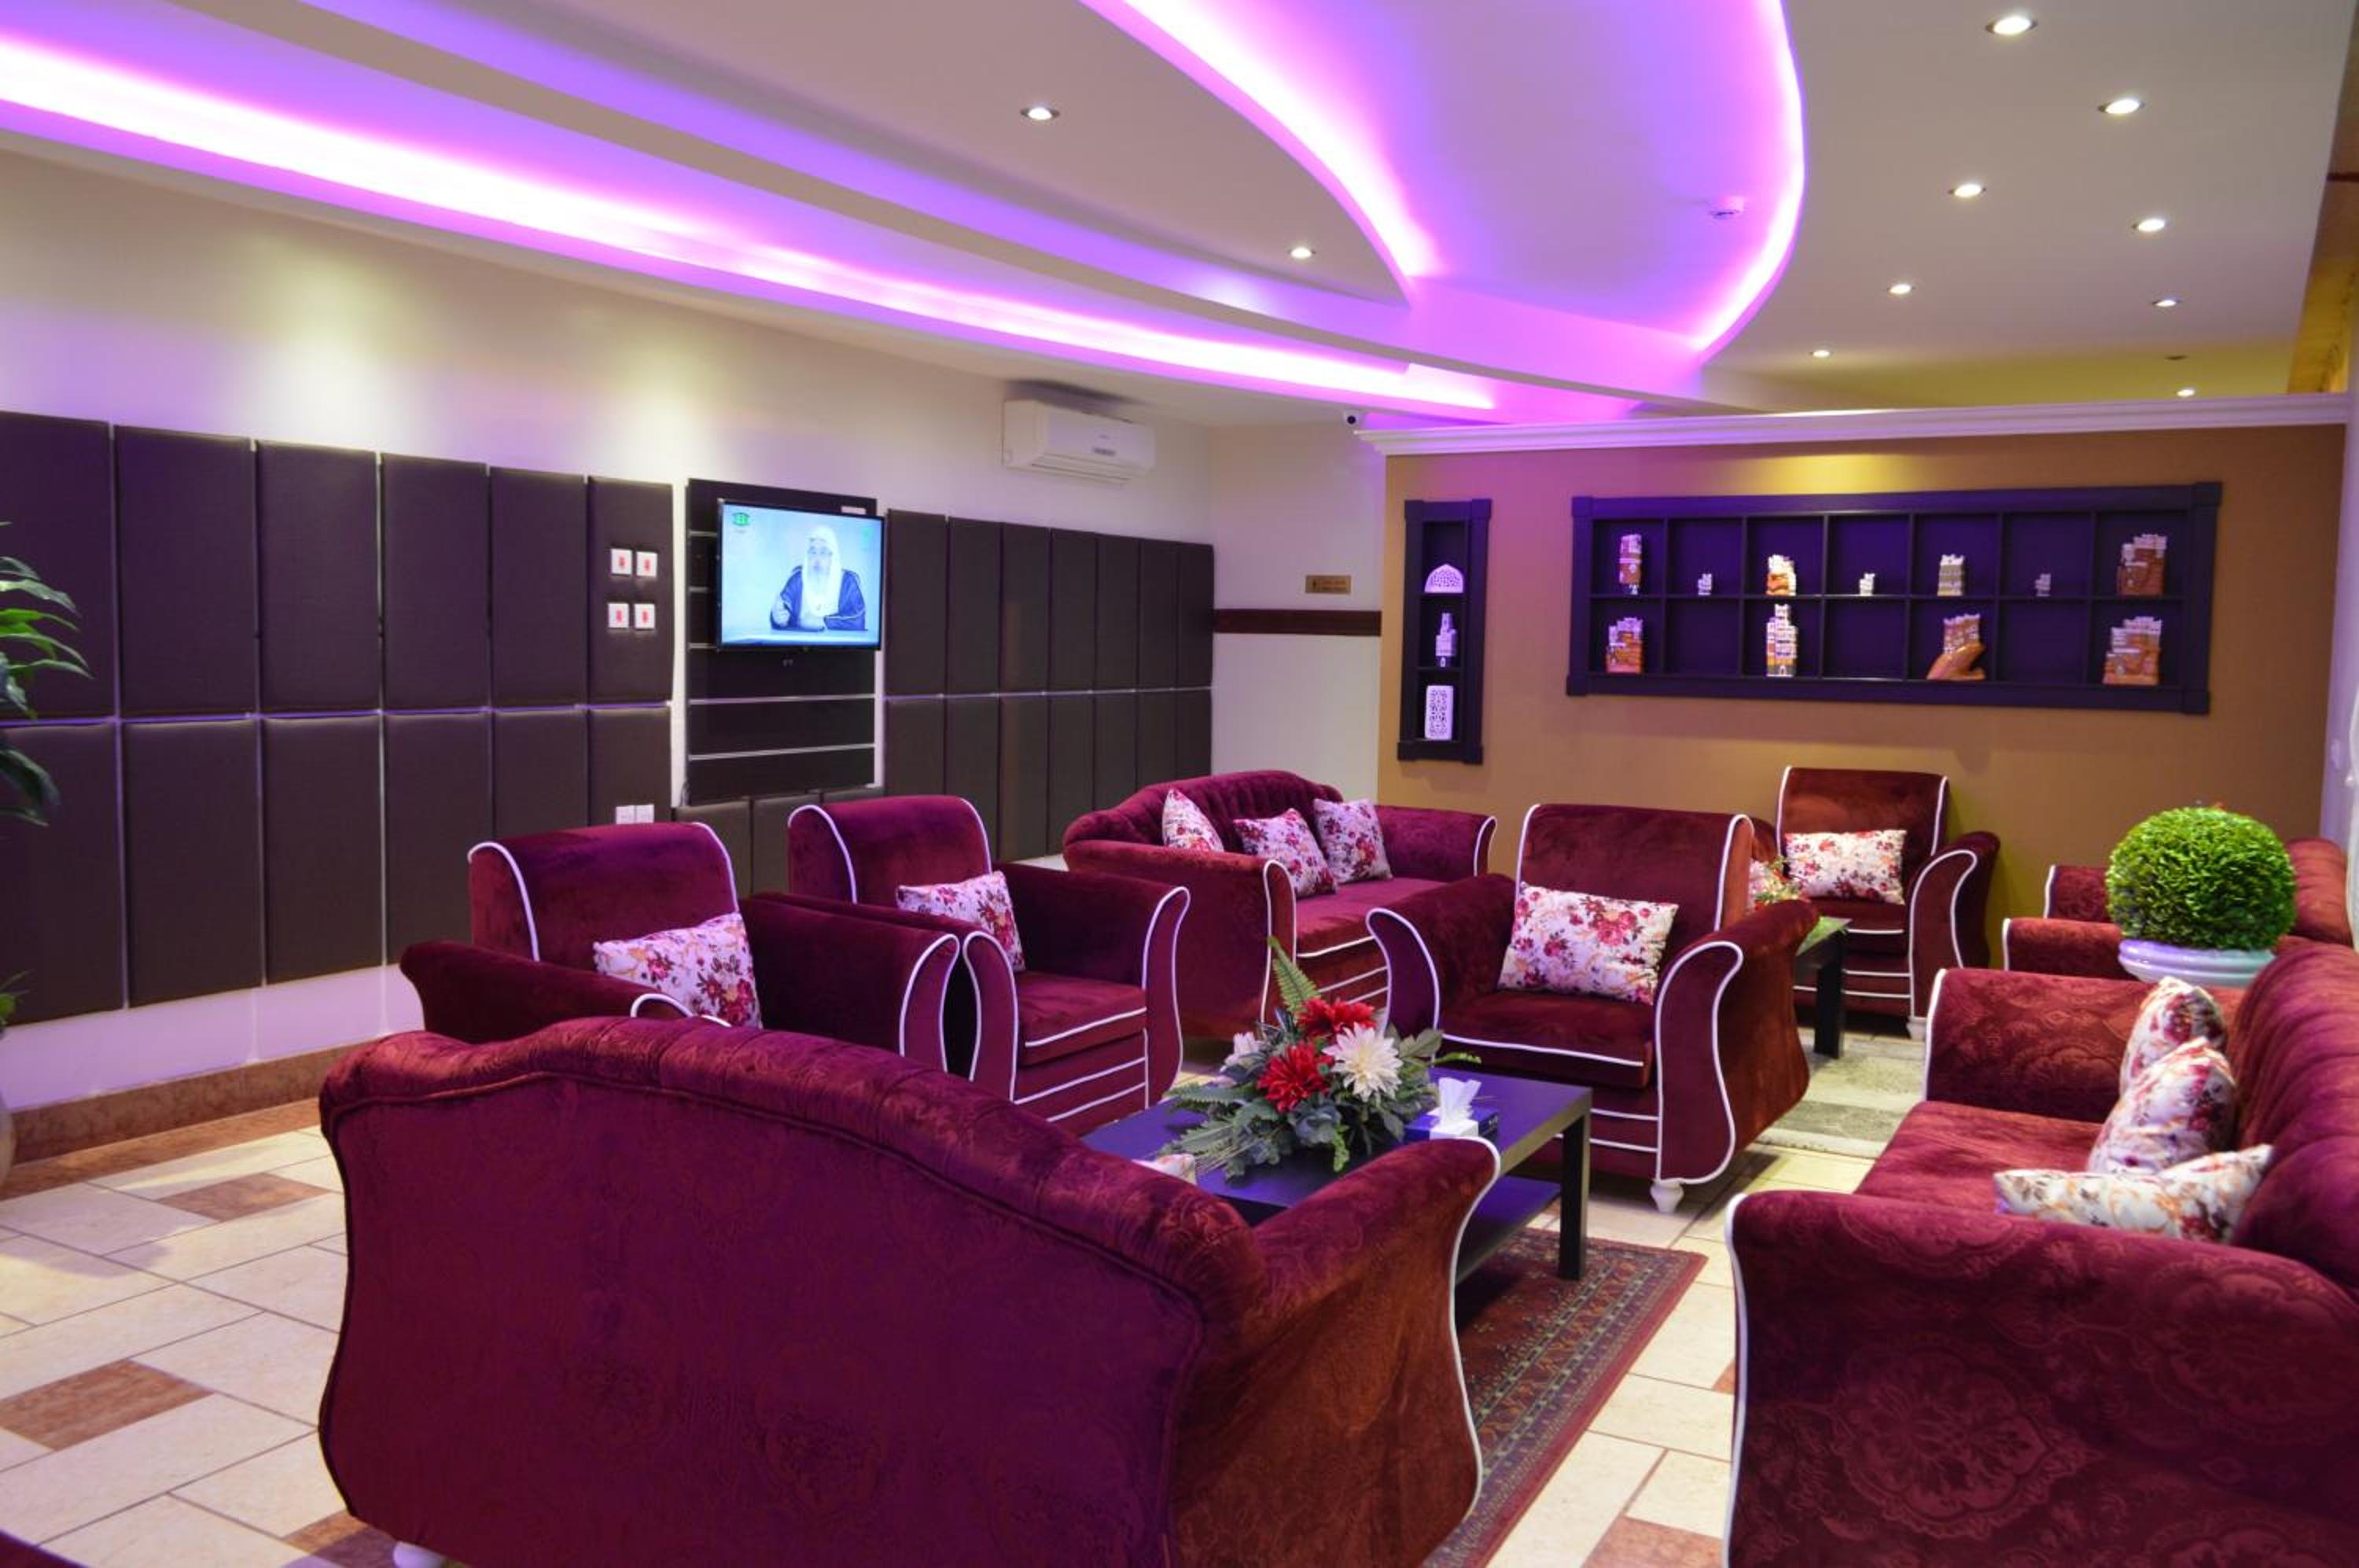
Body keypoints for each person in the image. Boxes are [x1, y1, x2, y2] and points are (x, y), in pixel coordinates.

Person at [770, 522, 867, 632]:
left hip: (838, 643)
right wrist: (778, 618)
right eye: (813, 552)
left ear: (834, 556)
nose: (817, 559)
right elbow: (783, 609)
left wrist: (823, 621)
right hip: (799, 641)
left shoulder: (848, 581)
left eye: (823, 552)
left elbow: (857, 620)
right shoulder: (797, 578)